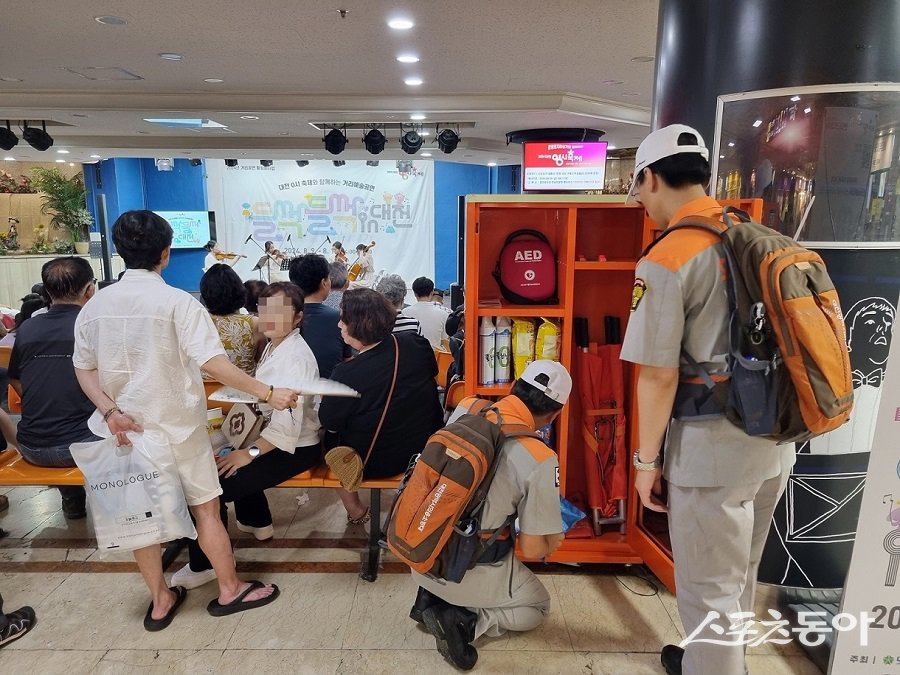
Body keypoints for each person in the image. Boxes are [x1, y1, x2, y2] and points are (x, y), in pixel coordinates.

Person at [620, 124, 795, 675]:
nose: (642, 203)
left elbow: (657, 377)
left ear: (650, 177)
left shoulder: (670, 256)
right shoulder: (755, 235)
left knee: (707, 592)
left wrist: (645, 463)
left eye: (639, 189)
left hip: (710, 455)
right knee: (737, 577)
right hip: (773, 442)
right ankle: (718, 662)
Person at [73, 210, 299, 630]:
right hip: (179, 427)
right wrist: (268, 392)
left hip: (125, 434)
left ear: (120, 252)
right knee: (207, 511)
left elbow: (83, 370)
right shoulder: (178, 303)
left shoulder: (94, 307)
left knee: (142, 519)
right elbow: (214, 363)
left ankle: (160, 601)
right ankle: (229, 590)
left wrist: (110, 411)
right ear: (165, 252)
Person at [410, 360, 570, 670]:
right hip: (467, 566)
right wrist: (556, 538)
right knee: (537, 607)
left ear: (513, 387)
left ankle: (431, 596)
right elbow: (534, 549)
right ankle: (465, 620)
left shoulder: (468, 406)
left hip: (421, 550)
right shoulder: (540, 457)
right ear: (554, 414)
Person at [176, 282, 322, 587]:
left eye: (279, 312)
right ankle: (257, 521)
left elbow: (286, 431)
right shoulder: (275, 344)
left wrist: (248, 453)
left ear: (297, 317)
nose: (269, 318)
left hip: (294, 447)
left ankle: (204, 565)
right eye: (264, 309)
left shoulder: (293, 357)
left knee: (207, 489)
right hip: (272, 436)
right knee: (225, 454)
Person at [319, 288, 442, 523]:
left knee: (327, 441)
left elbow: (329, 421)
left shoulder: (346, 373)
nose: (339, 325)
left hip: (374, 461)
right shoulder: (415, 343)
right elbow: (431, 377)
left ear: (358, 327)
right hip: (426, 448)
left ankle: (355, 510)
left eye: (343, 319)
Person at [7, 257, 99, 519]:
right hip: (83, 447)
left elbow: (15, 380)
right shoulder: (91, 327)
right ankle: (120, 509)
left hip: (30, 447)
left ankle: (72, 500)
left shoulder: (28, 328)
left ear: (47, 292)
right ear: (89, 290)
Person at [288, 254, 351, 378]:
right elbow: (347, 360)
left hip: (290, 390)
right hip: (330, 390)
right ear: (324, 283)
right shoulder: (338, 318)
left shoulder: (282, 318)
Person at [200, 264, 265, 376]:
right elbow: (263, 362)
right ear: (239, 290)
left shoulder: (199, 322)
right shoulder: (254, 323)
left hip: (205, 391)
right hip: (245, 390)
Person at [404, 276, 451, 348]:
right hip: (434, 357)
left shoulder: (405, 313)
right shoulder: (443, 314)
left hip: (411, 357)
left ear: (414, 293)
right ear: (432, 292)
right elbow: (444, 340)